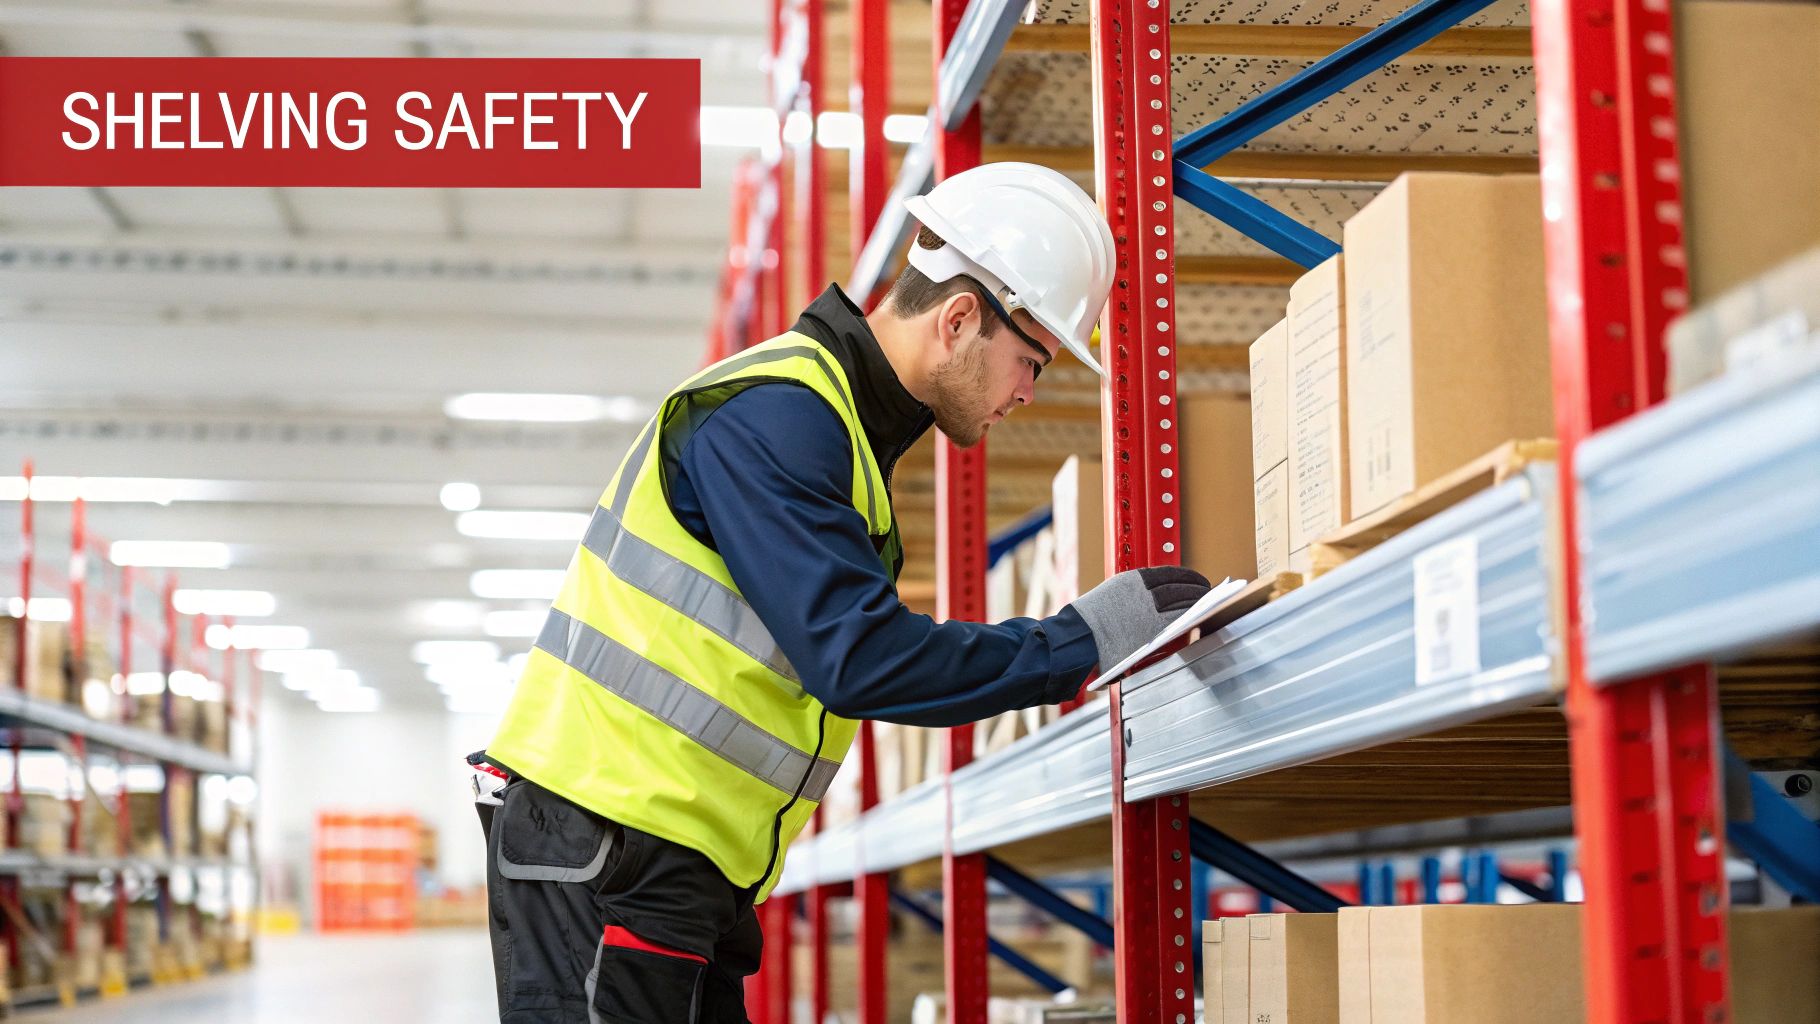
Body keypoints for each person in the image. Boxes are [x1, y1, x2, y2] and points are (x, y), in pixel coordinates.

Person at [470, 162, 1211, 1023]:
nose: (1027, 393)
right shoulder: (779, 417)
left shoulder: (841, 437)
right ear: (960, 318)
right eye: (1028, 360)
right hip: (610, 846)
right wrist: (1076, 642)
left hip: (672, 858)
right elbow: (857, 658)